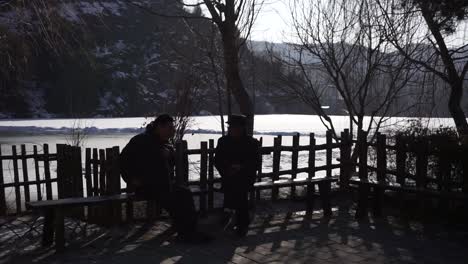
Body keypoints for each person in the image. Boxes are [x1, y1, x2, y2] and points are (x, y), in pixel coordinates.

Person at [120, 114, 211, 244]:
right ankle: (186, 234)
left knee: (185, 194)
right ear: (158, 127)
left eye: (172, 128)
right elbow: (123, 161)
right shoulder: (140, 140)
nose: (172, 131)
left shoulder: (165, 143)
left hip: (163, 185)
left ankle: (190, 232)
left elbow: (170, 163)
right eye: (169, 128)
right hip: (146, 187)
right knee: (175, 202)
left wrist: (170, 155)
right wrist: (131, 179)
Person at [214, 114, 260, 237]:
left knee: (239, 189)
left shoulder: (251, 143)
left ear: (243, 128)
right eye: (232, 127)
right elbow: (217, 160)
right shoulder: (223, 141)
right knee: (235, 188)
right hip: (228, 175)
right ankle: (238, 219)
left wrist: (242, 167)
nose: (233, 130)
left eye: (237, 127)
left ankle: (236, 219)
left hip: (245, 176)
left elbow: (256, 162)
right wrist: (227, 169)